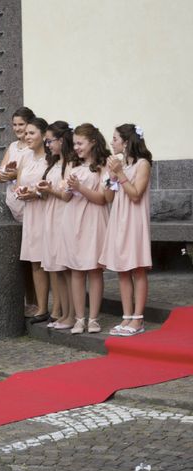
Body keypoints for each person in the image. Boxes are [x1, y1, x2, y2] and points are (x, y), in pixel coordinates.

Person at [100, 124, 153, 336]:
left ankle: (138, 319)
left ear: (127, 141)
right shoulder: (119, 165)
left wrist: (120, 173)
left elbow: (136, 194)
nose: (112, 142)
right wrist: (111, 178)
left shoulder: (142, 165)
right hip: (119, 219)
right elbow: (109, 198)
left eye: (115, 138)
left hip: (135, 220)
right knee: (122, 269)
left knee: (137, 268)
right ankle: (126, 315)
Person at [58, 123, 110, 334]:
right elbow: (65, 197)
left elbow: (102, 199)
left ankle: (94, 318)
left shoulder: (103, 165)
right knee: (77, 270)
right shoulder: (72, 164)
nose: (77, 147)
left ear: (93, 142)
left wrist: (81, 188)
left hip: (94, 219)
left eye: (80, 143)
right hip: (73, 219)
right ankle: (79, 318)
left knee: (94, 270)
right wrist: (70, 188)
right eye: (75, 143)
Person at [0, 106, 38, 317]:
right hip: (13, 204)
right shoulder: (12, 147)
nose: (18, 128)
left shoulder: (33, 147)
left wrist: (14, 174)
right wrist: (7, 175)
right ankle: (26, 299)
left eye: (22, 124)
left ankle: (36, 300)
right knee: (22, 257)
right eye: (15, 125)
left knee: (33, 256)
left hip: (30, 204)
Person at [37, 121, 75, 329]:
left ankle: (70, 314)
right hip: (50, 216)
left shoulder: (69, 164)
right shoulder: (54, 163)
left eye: (50, 141)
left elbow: (67, 196)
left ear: (61, 140)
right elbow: (51, 190)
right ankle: (63, 313)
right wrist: (43, 190)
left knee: (65, 268)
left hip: (63, 217)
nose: (48, 145)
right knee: (56, 268)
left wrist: (50, 190)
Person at [15, 117, 50, 322]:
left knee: (50, 261)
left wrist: (36, 193)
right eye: (26, 133)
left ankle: (57, 308)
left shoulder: (50, 158)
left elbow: (53, 185)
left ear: (43, 135)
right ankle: (41, 306)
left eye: (31, 133)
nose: (27, 136)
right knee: (35, 261)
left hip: (45, 210)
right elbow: (19, 182)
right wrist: (22, 192)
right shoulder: (25, 158)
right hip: (30, 212)